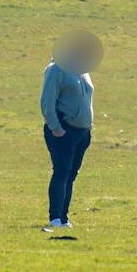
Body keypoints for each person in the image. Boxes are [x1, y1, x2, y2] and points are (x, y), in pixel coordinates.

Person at [39, 31, 102, 229]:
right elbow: (47, 102)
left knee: (71, 175)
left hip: (82, 133)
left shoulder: (83, 70)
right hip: (63, 131)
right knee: (61, 172)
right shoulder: (56, 69)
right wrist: (56, 128)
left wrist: (88, 127)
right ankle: (55, 218)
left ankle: (64, 218)